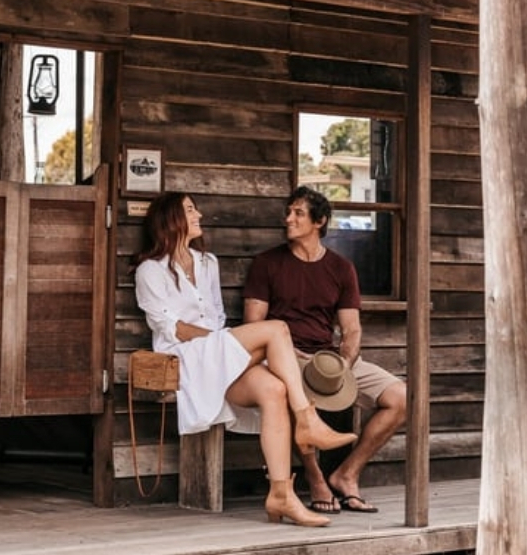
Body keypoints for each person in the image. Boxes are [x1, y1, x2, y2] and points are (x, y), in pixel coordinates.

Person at [132, 191, 357, 527]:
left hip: (215, 351)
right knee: (277, 330)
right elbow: (170, 327)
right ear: (171, 219)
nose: (199, 215)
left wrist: (227, 344)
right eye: (191, 210)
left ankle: (281, 495)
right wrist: (225, 342)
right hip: (182, 359)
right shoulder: (150, 270)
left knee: (274, 390)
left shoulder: (207, 263)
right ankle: (308, 420)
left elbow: (217, 315)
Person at [242, 186, 407, 514]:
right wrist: (287, 356)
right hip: (283, 357)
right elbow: (253, 324)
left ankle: (347, 474)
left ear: (319, 221)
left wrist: (344, 362)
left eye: (298, 213)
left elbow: (352, 329)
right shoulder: (267, 263)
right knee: (290, 395)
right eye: (288, 212)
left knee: (402, 398)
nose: (288, 219)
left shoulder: (341, 268)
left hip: (328, 359)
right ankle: (315, 477)